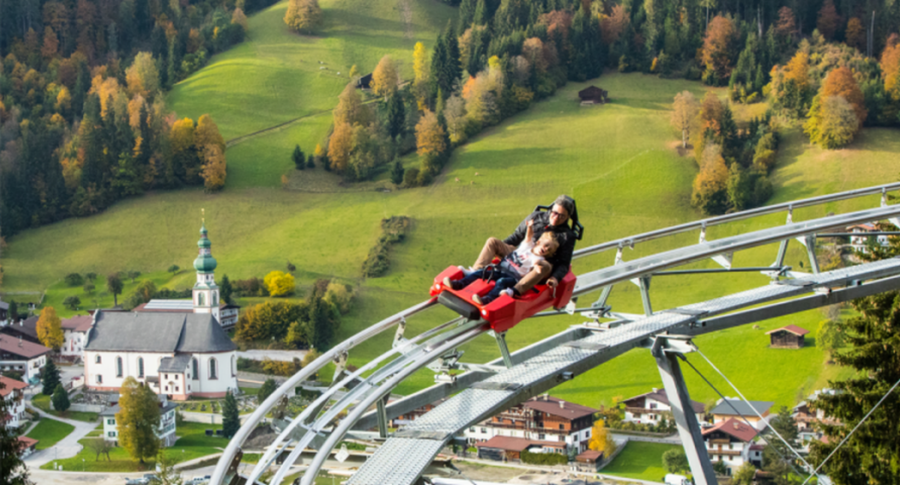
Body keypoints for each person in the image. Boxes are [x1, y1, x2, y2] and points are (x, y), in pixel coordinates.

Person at [469, 195, 578, 297]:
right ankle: (476, 272)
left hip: (537, 265)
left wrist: (555, 278)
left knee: (544, 266)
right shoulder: (536, 217)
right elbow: (516, 237)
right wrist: (500, 249)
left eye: (562, 216)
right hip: (523, 254)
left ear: (567, 217)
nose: (556, 217)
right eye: (554, 213)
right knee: (492, 241)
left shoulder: (567, 236)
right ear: (551, 209)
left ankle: (514, 291)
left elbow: (564, 263)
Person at [444, 222, 560, 305]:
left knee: (501, 282)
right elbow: (528, 236)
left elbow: (537, 267)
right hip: (501, 269)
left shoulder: (539, 258)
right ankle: (459, 283)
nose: (545, 249)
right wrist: (529, 226)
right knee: (482, 272)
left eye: (548, 250)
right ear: (538, 242)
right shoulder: (527, 246)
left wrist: (537, 267)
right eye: (545, 246)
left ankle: (488, 299)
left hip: (513, 277)